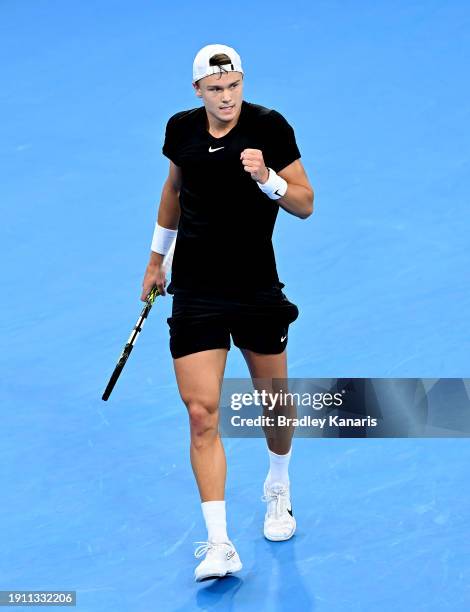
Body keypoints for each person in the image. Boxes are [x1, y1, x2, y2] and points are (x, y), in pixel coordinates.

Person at [141, 43, 314, 582]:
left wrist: (268, 179)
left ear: (243, 82)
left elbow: (305, 202)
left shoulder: (270, 127)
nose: (226, 98)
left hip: (257, 287)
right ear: (198, 91)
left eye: (234, 86)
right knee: (201, 414)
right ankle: (218, 543)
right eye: (215, 90)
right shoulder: (181, 130)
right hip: (195, 290)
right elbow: (173, 190)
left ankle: (278, 485)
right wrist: (155, 260)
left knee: (274, 403)